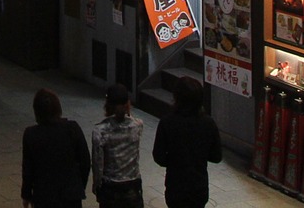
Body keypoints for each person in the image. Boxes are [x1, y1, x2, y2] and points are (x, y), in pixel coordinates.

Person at [151, 77, 222, 208]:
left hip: (175, 185)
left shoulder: (167, 122)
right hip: (198, 186)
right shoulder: (208, 123)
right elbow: (217, 156)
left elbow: (158, 156)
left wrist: (173, 160)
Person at [20, 89, 90, 208]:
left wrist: (26, 194)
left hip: (43, 196)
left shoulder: (31, 134)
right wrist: (78, 185)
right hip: (70, 195)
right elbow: (85, 161)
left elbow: (28, 169)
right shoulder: (72, 129)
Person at [89, 83, 145, 208]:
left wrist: (97, 186)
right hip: (133, 185)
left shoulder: (100, 131)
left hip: (111, 188)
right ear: (128, 104)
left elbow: (98, 163)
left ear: (107, 105)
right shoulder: (138, 125)